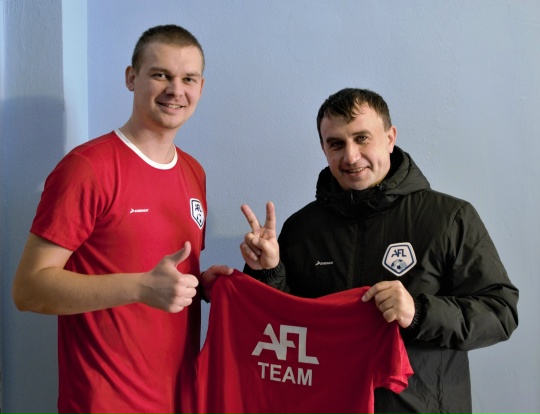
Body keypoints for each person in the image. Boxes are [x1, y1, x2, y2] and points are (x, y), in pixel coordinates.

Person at [240, 88, 519, 413]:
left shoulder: (449, 217)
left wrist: (419, 312)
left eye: (362, 138)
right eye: (336, 144)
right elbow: (281, 328)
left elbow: (500, 313)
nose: (351, 157)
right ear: (323, 148)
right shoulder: (302, 228)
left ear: (390, 138)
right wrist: (268, 272)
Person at [12, 24, 231, 414]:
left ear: (201, 87)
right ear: (132, 78)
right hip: (105, 402)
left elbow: (154, 275)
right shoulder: (87, 168)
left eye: (188, 79)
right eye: (160, 74)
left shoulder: (194, 172)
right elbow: (28, 289)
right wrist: (140, 287)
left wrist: (199, 285)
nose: (175, 90)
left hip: (179, 398)